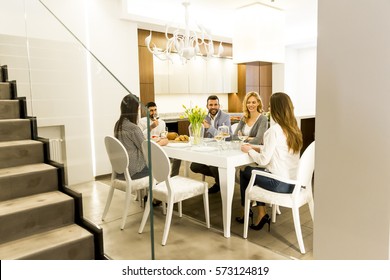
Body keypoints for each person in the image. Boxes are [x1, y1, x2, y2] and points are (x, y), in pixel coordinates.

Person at [236, 92, 303, 231]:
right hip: (292, 182)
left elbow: (263, 160)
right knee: (253, 173)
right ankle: (260, 213)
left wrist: (249, 150)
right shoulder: (293, 129)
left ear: (277, 109)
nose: (269, 109)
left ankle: (249, 211)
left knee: (245, 171)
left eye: (271, 106)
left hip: (278, 184)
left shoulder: (274, 131)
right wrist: (255, 147)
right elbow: (277, 151)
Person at [114, 94, 168, 180]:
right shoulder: (133, 128)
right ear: (133, 110)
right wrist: (160, 142)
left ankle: (146, 193)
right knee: (162, 169)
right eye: (138, 108)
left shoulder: (118, 124)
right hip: (135, 170)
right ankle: (154, 192)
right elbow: (145, 148)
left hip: (121, 169)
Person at [190, 95, 232, 194]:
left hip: (221, 150)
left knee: (214, 166)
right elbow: (200, 136)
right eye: (211, 105)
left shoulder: (225, 117)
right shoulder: (203, 117)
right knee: (194, 166)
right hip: (207, 150)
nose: (213, 107)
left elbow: (228, 136)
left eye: (215, 104)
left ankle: (219, 184)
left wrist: (209, 127)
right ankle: (221, 177)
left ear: (219, 105)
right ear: (207, 106)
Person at [138, 101, 181, 176]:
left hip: (159, 145)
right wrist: (151, 127)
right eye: (151, 110)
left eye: (155, 110)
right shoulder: (141, 122)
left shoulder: (161, 122)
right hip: (148, 147)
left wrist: (164, 135)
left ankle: (173, 176)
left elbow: (163, 135)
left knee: (178, 155)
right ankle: (158, 176)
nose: (154, 112)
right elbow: (141, 137)